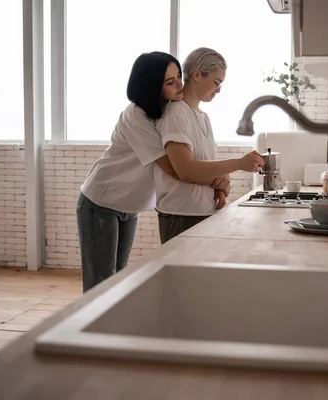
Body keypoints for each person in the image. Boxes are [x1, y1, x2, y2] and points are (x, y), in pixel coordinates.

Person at [76, 51, 230, 292]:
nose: (181, 83)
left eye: (179, 76)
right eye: (171, 82)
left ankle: (114, 328)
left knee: (117, 279)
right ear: (151, 86)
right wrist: (218, 180)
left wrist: (218, 181)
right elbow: (175, 169)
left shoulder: (167, 109)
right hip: (101, 201)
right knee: (101, 283)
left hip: (129, 205)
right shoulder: (136, 116)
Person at [154, 47, 264, 244]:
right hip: (181, 216)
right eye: (216, 82)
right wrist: (239, 163)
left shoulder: (203, 118)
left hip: (202, 214)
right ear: (196, 74)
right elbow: (186, 169)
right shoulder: (176, 113)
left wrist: (221, 187)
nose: (219, 90)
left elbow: (206, 166)